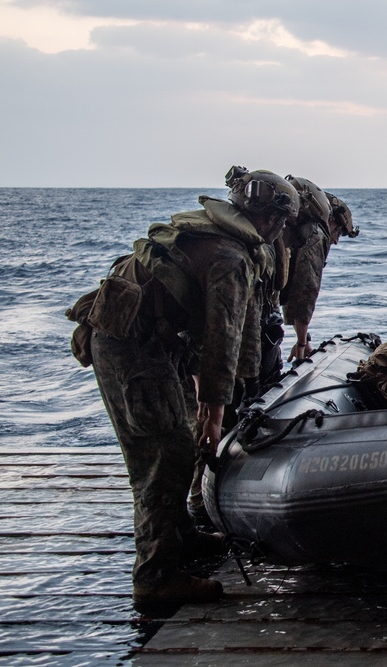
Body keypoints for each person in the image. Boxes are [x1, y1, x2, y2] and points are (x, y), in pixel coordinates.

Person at [82, 166, 299, 604]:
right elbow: (224, 339)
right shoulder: (230, 258)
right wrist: (215, 412)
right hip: (132, 348)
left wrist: (203, 397)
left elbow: (204, 332)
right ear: (273, 220)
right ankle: (155, 575)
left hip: (151, 342)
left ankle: (180, 533)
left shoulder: (215, 236)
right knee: (164, 455)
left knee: (176, 438)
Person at [279, 180, 359, 363]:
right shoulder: (316, 236)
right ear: (331, 221)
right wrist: (301, 344)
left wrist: (303, 338)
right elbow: (305, 292)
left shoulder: (294, 230)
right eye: (339, 233)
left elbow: (289, 286)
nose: (337, 241)